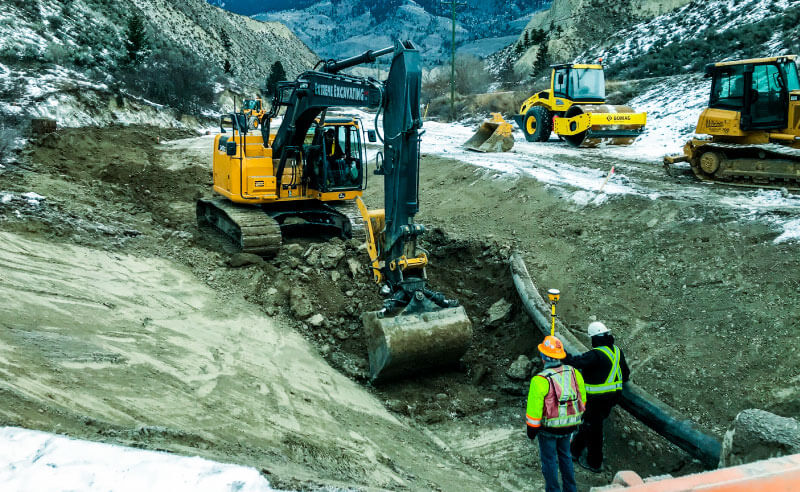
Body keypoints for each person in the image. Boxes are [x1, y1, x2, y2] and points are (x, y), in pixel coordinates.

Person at [565, 321, 630, 473]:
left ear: (594, 339)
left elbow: (574, 362)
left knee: (594, 430)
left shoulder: (595, 355)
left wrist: (561, 354)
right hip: (612, 399)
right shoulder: (617, 352)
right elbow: (625, 374)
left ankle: (594, 463)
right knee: (589, 424)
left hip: (596, 400)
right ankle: (574, 451)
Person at [526, 335, 586, 492]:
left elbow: (534, 411)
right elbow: (582, 399)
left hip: (549, 429)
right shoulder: (574, 373)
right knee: (566, 457)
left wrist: (531, 430)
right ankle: (570, 489)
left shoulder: (539, 380)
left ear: (544, 357)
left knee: (550, 461)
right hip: (570, 427)